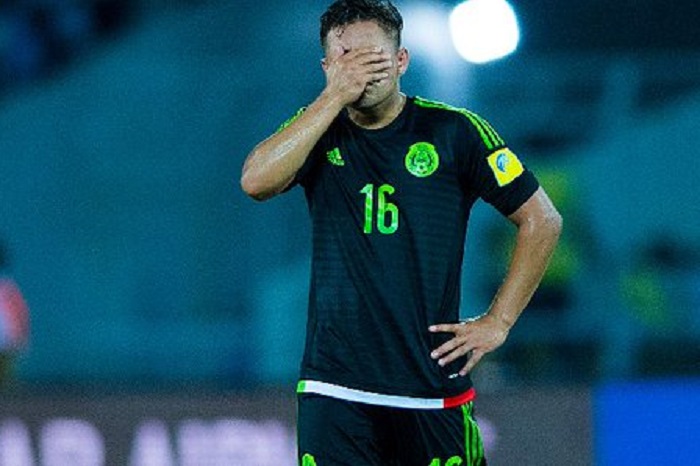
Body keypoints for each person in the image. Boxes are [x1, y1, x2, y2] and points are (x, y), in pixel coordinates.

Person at [241, 0, 562, 464]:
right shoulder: (317, 128)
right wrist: (331, 98)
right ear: (327, 68)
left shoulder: (455, 132)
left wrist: (500, 320)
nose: (361, 72)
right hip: (335, 388)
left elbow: (542, 219)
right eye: (347, 59)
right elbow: (255, 182)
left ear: (401, 61)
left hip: (430, 386)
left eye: (373, 58)